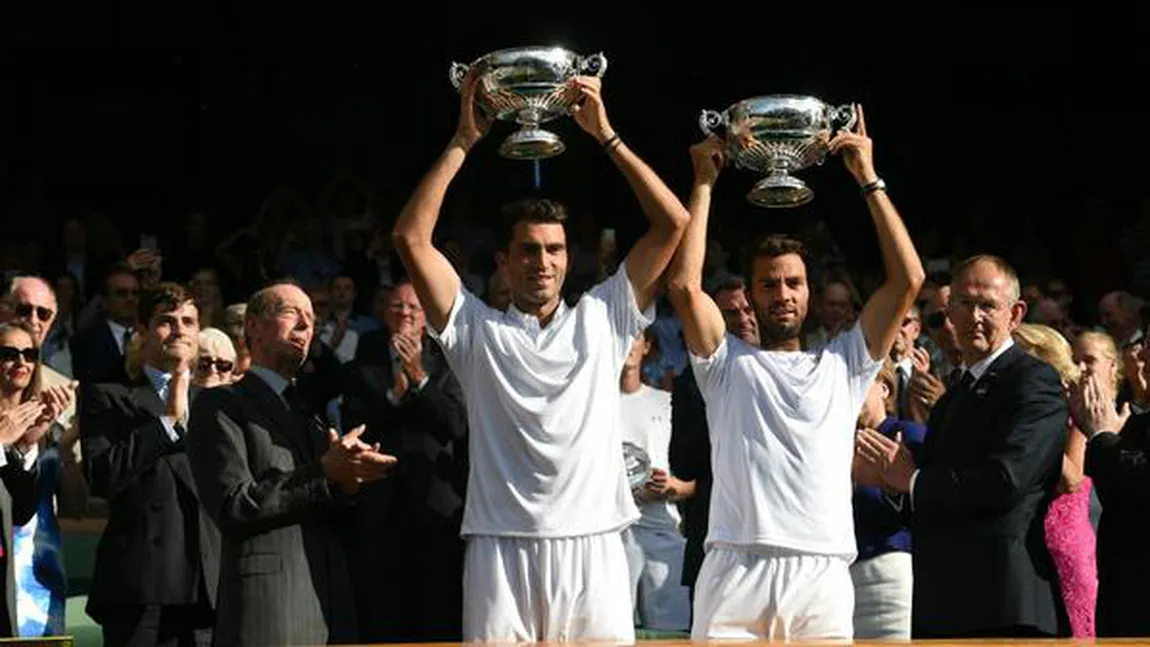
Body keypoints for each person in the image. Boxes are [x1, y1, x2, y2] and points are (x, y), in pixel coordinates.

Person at [391, 70, 689, 642]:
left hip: (598, 544)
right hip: (501, 550)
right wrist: (463, 140)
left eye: (554, 249)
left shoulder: (605, 318)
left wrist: (605, 135)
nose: (542, 262)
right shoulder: (475, 331)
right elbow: (410, 239)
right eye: (528, 250)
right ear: (502, 260)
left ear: (569, 257)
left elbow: (672, 223)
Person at [666, 108, 924, 641]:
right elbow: (684, 288)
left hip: (822, 572)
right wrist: (705, 184)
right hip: (735, 568)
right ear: (751, 294)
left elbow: (908, 279)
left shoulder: (846, 363)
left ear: (808, 291)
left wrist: (867, 178)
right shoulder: (723, 363)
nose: (782, 294)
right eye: (768, 285)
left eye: (793, 283)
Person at [858, 255, 1068, 638]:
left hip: (1003, 604)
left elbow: (1006, 481)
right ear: (948, 309)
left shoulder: (1033, 382)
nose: (975, 316)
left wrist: (914, 481)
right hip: (945, 605)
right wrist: (890, 482)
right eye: (964, 304)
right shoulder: (954, 396)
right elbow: (930, 490)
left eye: (988, 305)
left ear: (1015, 314)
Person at [187, 282, 397, 646]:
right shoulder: (221, 404)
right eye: (291, 313)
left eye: (312, 319)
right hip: (271, 612)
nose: (305, 325)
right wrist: (324, 473)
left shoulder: (312, 415)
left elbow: (327, 506)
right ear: (253, 326)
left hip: (332, 607)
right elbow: (233, 504)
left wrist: (348, 484)